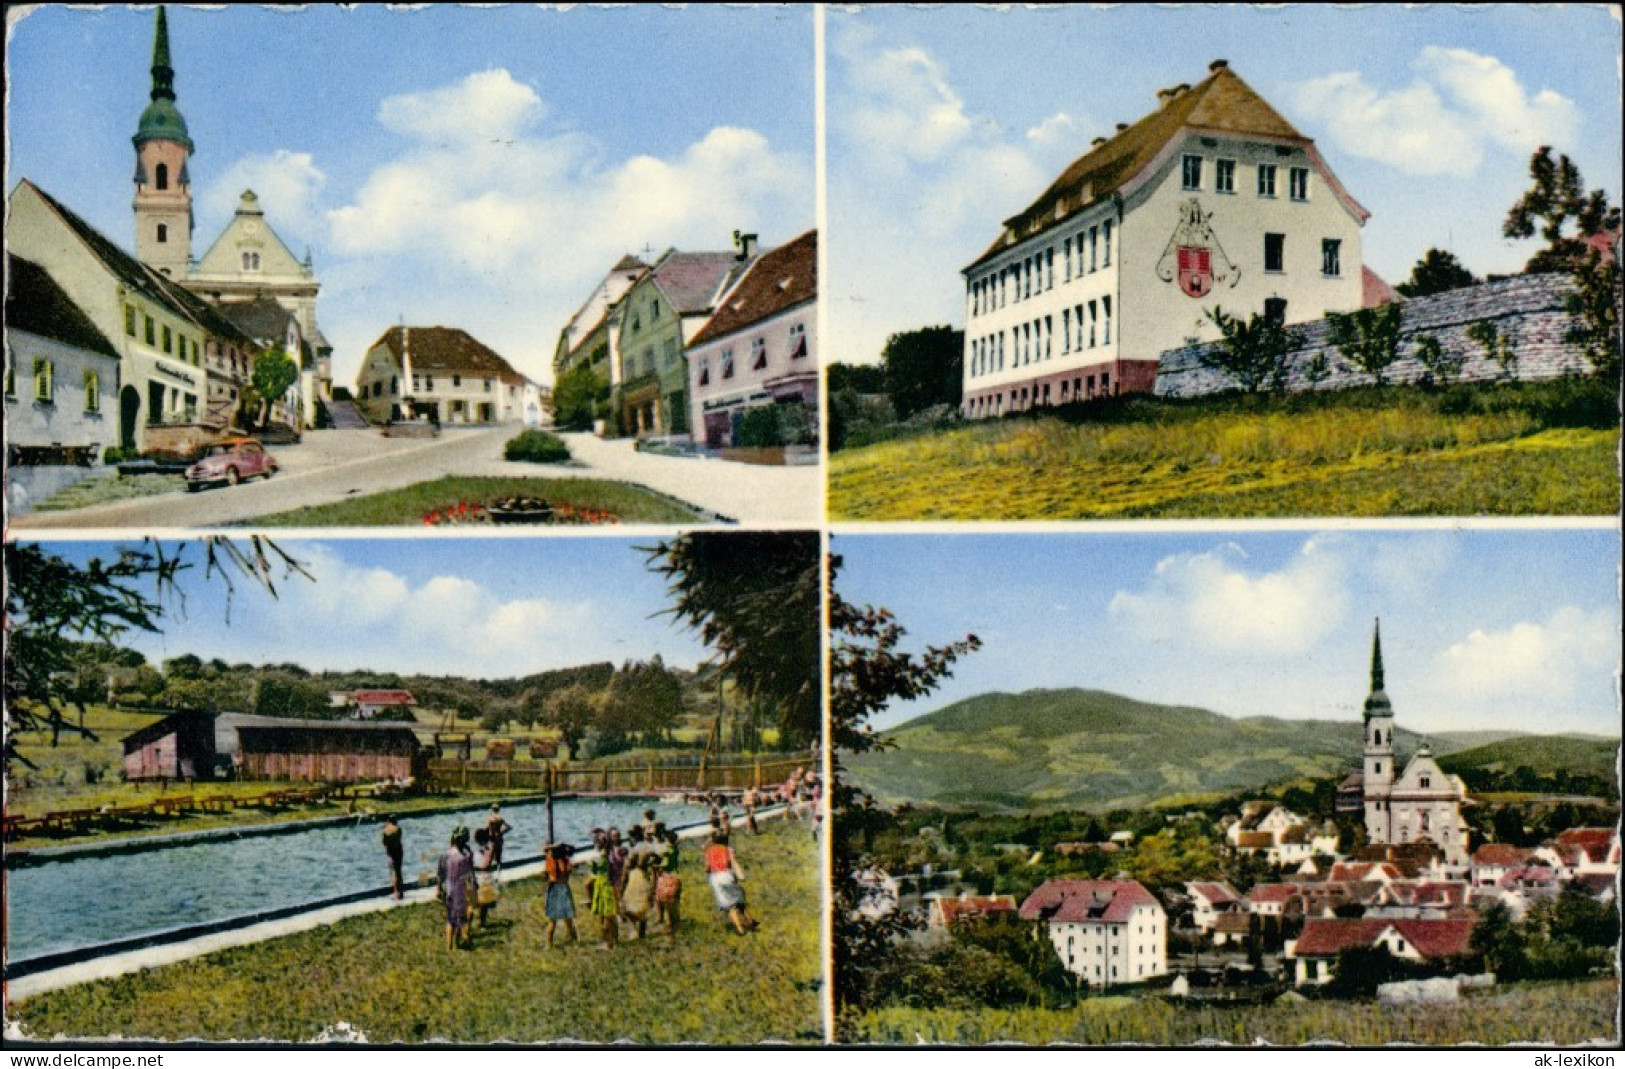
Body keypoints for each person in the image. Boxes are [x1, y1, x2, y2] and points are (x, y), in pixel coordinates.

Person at [704, 830, 758, 936]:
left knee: (729, 906)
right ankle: (750, 921)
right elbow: (733, 863)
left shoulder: (709, 851)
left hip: (715, 878)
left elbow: (707, 868)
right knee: (738, 901)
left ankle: (740, 929)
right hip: (727, 875)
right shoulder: (728, 850)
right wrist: (741, 875)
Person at [436, 826, 476, 951]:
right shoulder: (466, 855)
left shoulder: (446, 854)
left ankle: (450, 946)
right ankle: (459, 941)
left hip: (450, 888)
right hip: (462, 889)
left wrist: (438, 889)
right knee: (461, 917)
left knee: (450, 919)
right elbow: (470, 874)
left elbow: (439, 874)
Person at [543, 842, 577, 949]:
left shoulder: (550, 861)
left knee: (552, 919)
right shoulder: (566, 862)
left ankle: (549, 944)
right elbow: (572, 849)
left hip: (554, 889)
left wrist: (552, 847)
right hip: (564, 888)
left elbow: (545, 849)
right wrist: (563, 844)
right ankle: (573, 937)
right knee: (568, 917)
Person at [586, 852, 619, 950]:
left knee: (606, 917)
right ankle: (612, 940)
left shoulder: (602, 860)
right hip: (603, 887)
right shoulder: (609, 858)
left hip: (603, 888)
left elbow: (587, 883)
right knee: (607, 916)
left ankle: (609, 943)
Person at [621, 852, 653, 941]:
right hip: (640, 892)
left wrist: (621, 893)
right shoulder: (641, 870)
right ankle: (641, 933)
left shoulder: (629, 871)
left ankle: (634, 932)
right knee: (641, 915)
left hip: (632, 892)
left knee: (630, 914)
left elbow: (623, 882)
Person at [380, 815, 404, 899]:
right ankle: (400, 892)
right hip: (398, 851)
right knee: (398, 871)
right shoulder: (398, 829)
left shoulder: (385, 830)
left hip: (390, 852)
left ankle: (396, 892)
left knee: (393, 872)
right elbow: (399, 839)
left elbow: (384, 843)